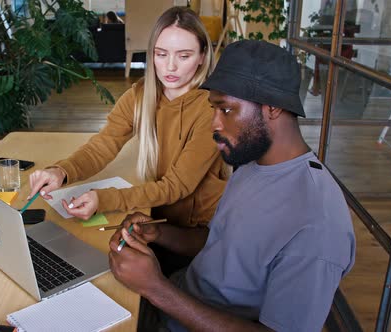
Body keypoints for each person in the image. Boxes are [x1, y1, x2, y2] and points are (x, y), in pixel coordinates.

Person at [108, 40, 356, 332]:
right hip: (173, 297)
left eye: (225, 110)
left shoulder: (317, 225)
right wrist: (158, 232)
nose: (214, 124)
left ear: (272, 108)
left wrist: (155, 288)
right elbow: (220, 246)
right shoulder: (252, 164)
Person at [28, 6, 227, 274]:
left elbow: (177, 186)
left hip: (195, 234)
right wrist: (61, 171)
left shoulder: (210, 108)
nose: (170, 66)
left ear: (203, 57)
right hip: (155, 214)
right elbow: (103, 145)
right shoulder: (140, 94)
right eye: (161, 54)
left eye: (184, 56)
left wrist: (106, 199)